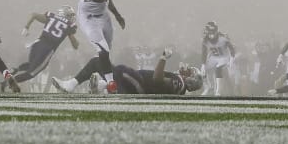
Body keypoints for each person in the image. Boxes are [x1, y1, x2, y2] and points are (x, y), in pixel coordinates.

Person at [75, 0, 135, 93]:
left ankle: (99, 84)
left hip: (103, 15)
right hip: (88, 16)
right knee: (103, 49)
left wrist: (117, 15)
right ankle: (111, 84)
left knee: (105, 53)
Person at [57, 48, 203, 95]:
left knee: (103, 62)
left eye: (189, 72)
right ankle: (104, 87)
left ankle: (105, 88)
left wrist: (163, 57)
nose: (186, 69)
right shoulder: (179, 84)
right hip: (136, 84)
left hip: (138, 84)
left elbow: (157, 79)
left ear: (191, 79)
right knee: (100, 61)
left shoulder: (179, 83)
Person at [7, 5, 79, 87]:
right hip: (47, 49)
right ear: (64, 15)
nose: (72, 18)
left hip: (37, 44)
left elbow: (33, 14)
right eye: (70, 15)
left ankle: (16, 69)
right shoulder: (69, 25)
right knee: (32, 73)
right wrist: (73, 38)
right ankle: (9, 82)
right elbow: (75, 46)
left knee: (32, 65)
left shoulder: (51, 16)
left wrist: (26, 27)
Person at [200, 21, 236, 97]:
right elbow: (204, 53)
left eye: (211, 32)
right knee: (202, 71)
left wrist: (231, 60)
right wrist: (203, 64)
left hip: (224, 56)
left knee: (218, 68)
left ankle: (218, 91)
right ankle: (208, 87)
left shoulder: (223, 37)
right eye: (208, 32)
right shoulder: (205, 39)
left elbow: (232, 49)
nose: (210, 35)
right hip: (214, 57)